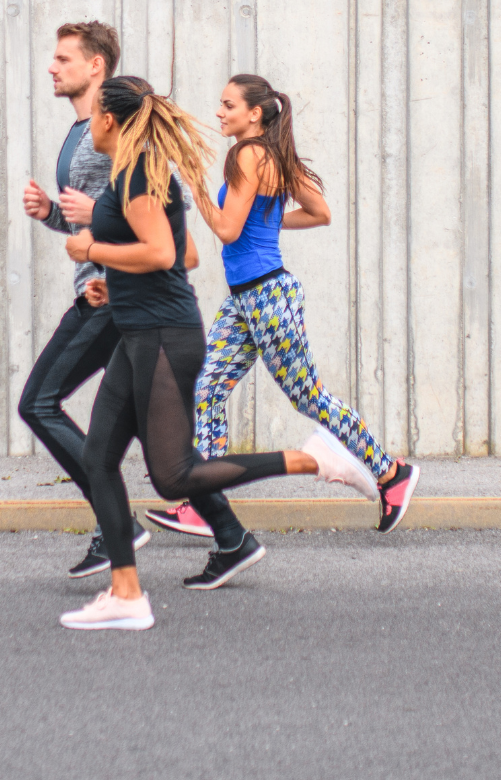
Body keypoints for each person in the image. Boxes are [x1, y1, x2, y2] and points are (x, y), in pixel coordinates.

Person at [58, 77, 328, 631]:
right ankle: (127, 593)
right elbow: (181, 251)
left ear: (108, 120)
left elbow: (164, 252)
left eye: (94, 121)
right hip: (143, 329)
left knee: (175, 477)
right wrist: (113, 281)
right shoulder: (139, 167)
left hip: (161, 335)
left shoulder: (137, 171)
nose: (90, 129)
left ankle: (308, 460)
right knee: (99, 458)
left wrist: (91, 248)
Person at [143, 74, 420, 539]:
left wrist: (192, 182)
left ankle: (391, 473)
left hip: (268, 297)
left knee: (308, 394)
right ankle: (204, 504)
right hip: (247, 299)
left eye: (228, 104)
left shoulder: (246, 155)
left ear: (254, 113)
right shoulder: (271, 155)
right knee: (206, 389)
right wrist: (266, 227)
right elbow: (319, 212)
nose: (219, 112)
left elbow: (228, 231)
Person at [18, 22, 153, 579]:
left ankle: (117, 525)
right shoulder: (80, 130)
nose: (52, 67)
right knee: (149, 425)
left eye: (63, 58)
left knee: (39, 402)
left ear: (96, 65)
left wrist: (99, 248)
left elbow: (160, 202)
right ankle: (231, 535)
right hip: (101, 287)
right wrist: (51, 211)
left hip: (109, 295)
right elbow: (86, 215)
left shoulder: (115, 124)